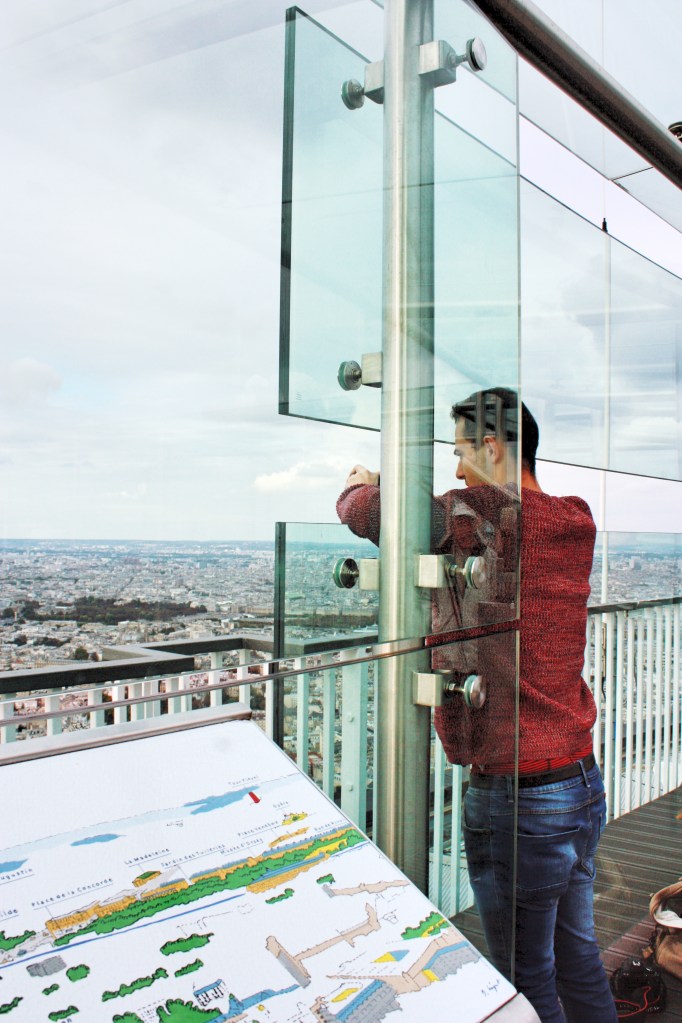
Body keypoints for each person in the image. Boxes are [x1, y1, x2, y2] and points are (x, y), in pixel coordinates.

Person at [337, 387, 618, 1023]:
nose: (456, 468)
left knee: (523, 979)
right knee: (577, 956)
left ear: (492, 446)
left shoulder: (474, 514)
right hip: (579, 781)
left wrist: (361, 484)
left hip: (516, 792)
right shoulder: (572, 520)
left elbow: (370, 512)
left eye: (462, 451)